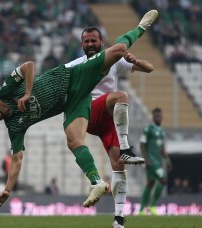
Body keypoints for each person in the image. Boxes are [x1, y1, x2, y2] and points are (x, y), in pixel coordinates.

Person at [0, 10, 159, 209]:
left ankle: (140, 27)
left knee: (119, 49)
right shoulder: (14, 127)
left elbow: (29, 65)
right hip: (72, 104)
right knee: (73, 141)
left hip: (72, 77)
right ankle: (97, 182)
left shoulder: (8, 90)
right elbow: (16, 160)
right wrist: (7, 189)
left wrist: (26, 93)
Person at [65, 26, 153, 227]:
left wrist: (135, 61)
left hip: (107, 120)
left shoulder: (113, 61)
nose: (90, 45)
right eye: (86, 41)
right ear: (82, 45)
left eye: (93, 41)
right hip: (89, 113)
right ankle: (125, 148)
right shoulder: (75, 65)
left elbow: (149, 68)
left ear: (101, 42)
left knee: (119, 167)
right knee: (121, 96)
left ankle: (119, 219)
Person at [139, 107, 172, 215]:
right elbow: (142, 144)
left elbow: (162, 148)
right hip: (151, 160)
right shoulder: (148, 129)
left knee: (150, 183)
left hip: (157, 160)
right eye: (156, 116)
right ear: (153, 117)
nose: (158, 117)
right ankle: (152, 206)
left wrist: (167, 160)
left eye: (159, 116)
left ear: (162, 117)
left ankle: (142, 209)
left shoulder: (161, 131)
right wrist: (145, 159)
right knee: (163, 180)